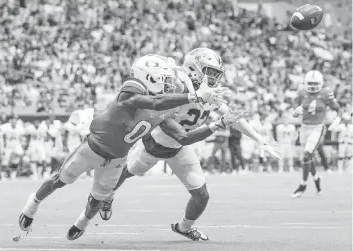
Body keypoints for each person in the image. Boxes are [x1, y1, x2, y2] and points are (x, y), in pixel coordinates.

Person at [18, 54, 224, 241]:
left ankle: (81, 222)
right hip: (92, 148)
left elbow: (183, 136)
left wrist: (218, 124)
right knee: (60, 180)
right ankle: (32, 206)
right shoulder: (131, 94)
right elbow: (154, 101)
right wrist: (193, 96)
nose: (169, 85)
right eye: (164, 80)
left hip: (117, 159)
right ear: (149, 77)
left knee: (98, 198)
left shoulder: (164, 112)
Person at [98, 49, 281, 241]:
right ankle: (108, 194)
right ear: (194, 69)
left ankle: (183, 227)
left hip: (181, 147)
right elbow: (159, 91)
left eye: (215, 73)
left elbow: (231, 116)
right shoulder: (177, 83)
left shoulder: (208, 92)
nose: (213, 77)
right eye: (209, 71)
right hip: (155, 143)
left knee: (202, 196)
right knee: (127, 171)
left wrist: (260, 139)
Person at [292, 70, 341, 198]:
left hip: (317, 128)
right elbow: (296, 108)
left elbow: (338, 108)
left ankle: (302, 186)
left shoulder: (325, 93)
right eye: (310, 83)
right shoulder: (302, 92)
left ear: (320, 83)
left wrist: (337, 120)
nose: (313, 86)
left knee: (307, 154)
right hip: (304, 127)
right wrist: (296, 112)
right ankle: (317, 179)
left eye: (315, 83)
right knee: (308, 157)